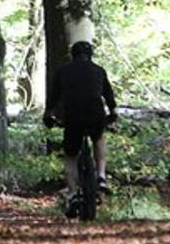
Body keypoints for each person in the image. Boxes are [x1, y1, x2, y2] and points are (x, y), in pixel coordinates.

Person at [43, 40, 117, 214]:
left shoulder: (63, 72)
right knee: (98, 137)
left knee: (70, 155)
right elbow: (108, 94)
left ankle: (73, 192)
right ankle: (101, 176)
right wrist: (113, 112)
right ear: (90, 55)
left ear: (72, 55)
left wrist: (48, 114)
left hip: (73, 117)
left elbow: (54, 97)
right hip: (95, 114)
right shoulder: (99, 70)